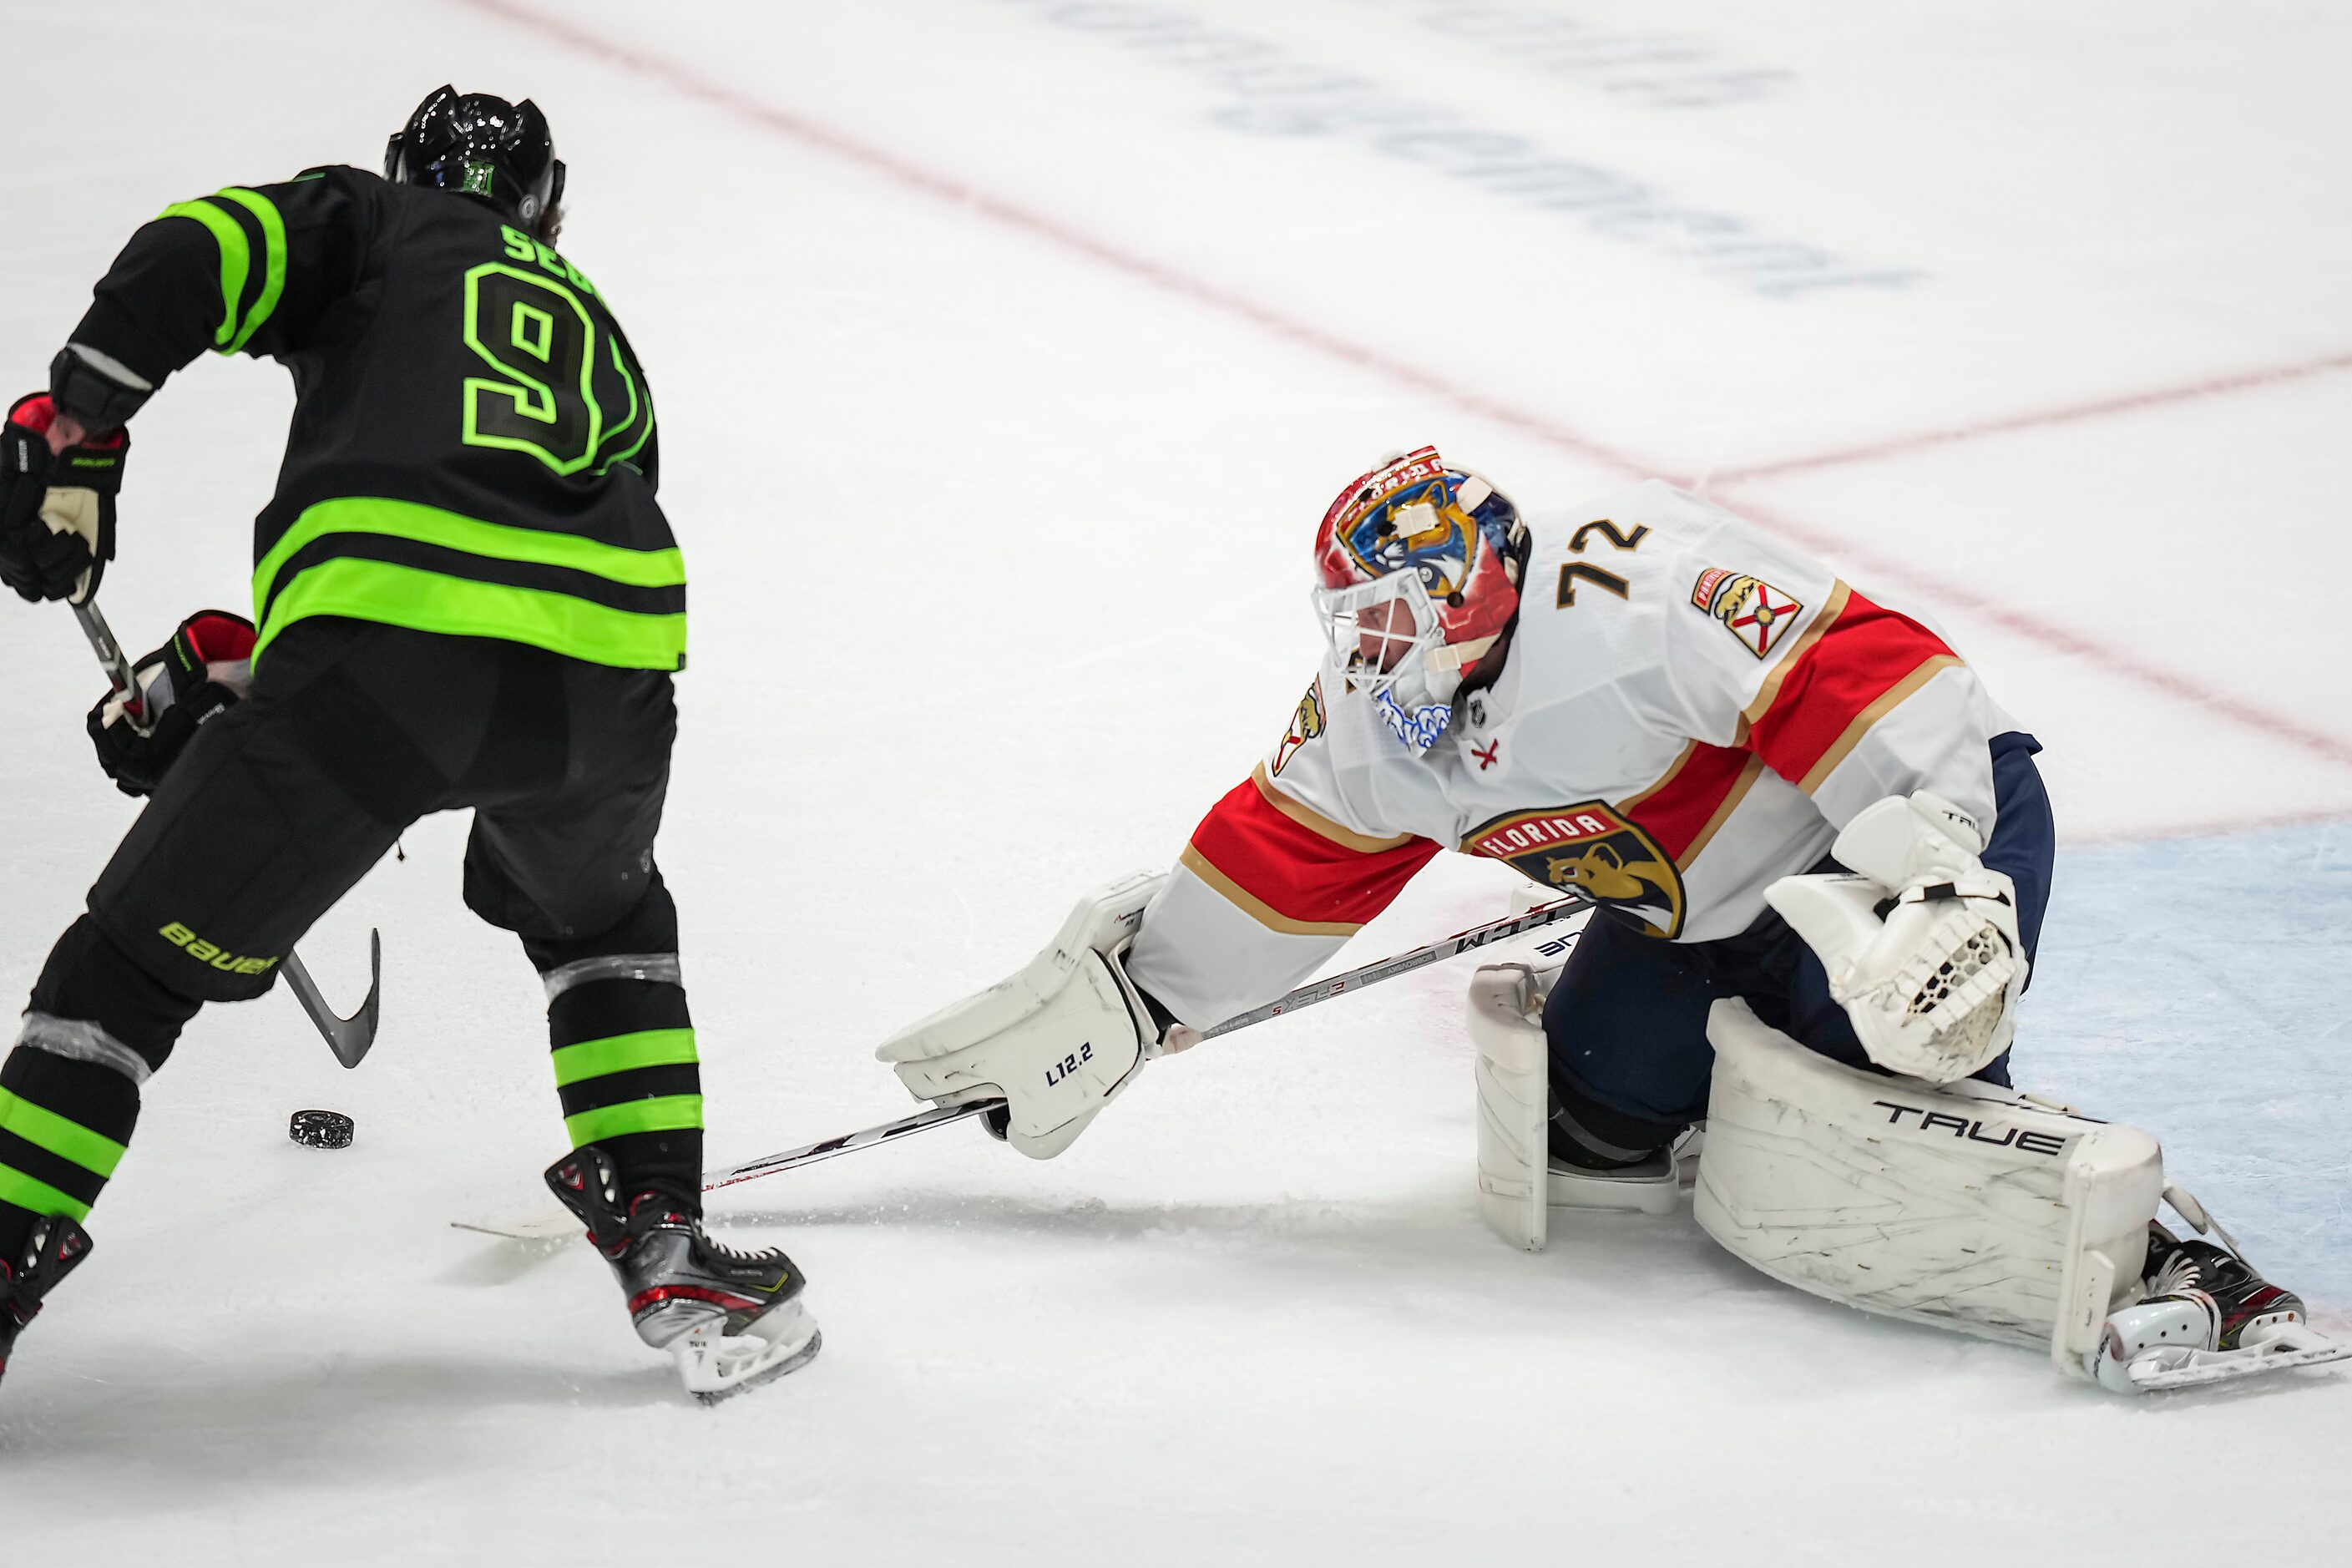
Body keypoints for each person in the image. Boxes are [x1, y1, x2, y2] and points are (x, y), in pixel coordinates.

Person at [874, 447, 2331, 1390]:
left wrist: (1938, 875)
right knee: (1593, 1118)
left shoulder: (1631, 586)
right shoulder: (1377, 725)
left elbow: (1877, 681)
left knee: (1909, 1078)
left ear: (1469, 584)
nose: (1366, 650)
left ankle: (2185, 1259)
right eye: (1351, 623)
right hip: (1699, 914)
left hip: (1892, 845)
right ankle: (1768, 1074)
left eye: (1390, 613)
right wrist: (1137, 997)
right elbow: (1283, 861)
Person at [0, 87, 817, 1401]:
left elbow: (197, 253)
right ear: (548, 206)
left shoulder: (372, 222)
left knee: (127, 973)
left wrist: (77, 431)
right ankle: (666, 1235)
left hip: (381, 671)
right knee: (605, 922)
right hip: (605, 679)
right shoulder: (594, 331)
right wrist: (225, 676)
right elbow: (504, 568)